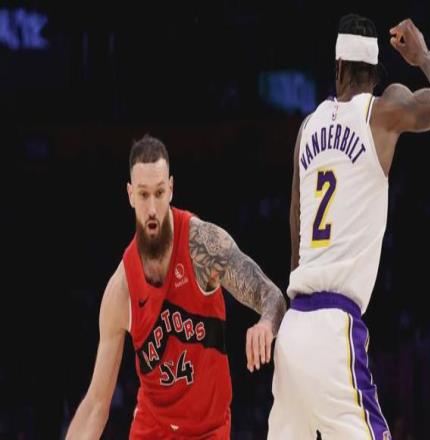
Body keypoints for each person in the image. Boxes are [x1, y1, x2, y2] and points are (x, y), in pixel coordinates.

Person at [268, 13, 430, 440]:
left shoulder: (307, 128)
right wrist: (424, 57)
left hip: (293, 328)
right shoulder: (382, 111)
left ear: (337, 68)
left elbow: (296, 231)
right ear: (375, 75)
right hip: (333, 328)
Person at [66, 135, 286, 439]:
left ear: (170, 188)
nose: (152, 208)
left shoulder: (203, 247)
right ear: (130, 195)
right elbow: (96, 404)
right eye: (143, 195)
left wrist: (266, 323)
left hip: (209, 430)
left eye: (159, 193)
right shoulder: (122, 289)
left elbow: (272, 296)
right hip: (152, 429)